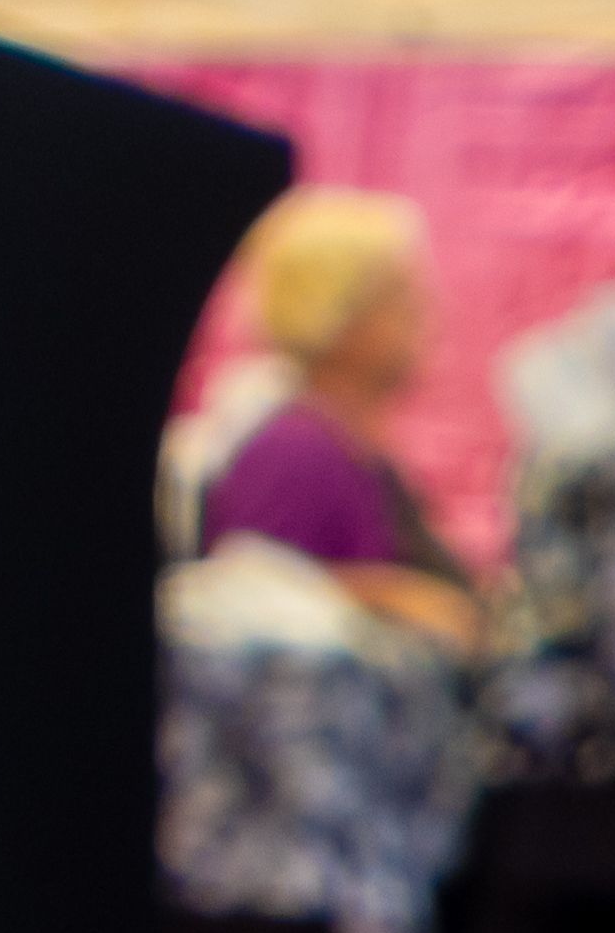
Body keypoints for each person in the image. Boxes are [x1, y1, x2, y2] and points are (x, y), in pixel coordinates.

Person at [192, 189, 482, 653]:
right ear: (337, 316)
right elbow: (245, 593)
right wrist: (393, 596)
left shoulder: (356, 450)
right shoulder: (292, 451)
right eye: (399, 295)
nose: (426, 312)